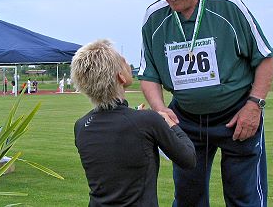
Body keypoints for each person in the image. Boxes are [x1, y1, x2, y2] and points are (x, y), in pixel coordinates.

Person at [138, 0, 273, 207]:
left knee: (245, 198)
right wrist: (160, 109)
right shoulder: (154, 18)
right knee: (188, 198)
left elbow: (265, 58)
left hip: (236, 115)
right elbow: (149, 74)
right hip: (186, 118)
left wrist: (254, 105)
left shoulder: (227, 5)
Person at [72, 39, 196, 206]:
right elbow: (188, 159)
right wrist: (170, 123)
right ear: (120, 77)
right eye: (123, 60)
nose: (127, 63)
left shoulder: (81, 126)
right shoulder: (147, 120)